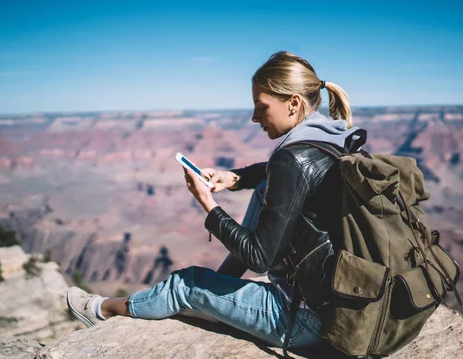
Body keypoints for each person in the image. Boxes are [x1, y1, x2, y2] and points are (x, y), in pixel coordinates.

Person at [66, 51, 364, 350]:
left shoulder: (292, 159)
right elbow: (286, 174)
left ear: (294, 103)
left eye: (262, 107)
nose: (254, 117)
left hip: (305, 319)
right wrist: (235, 177)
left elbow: (258, 257)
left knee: (187, 282)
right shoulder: (337, 139)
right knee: (264, 189)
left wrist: (207, 203)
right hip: (346, 303)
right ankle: (221, 290)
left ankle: (102, 310)